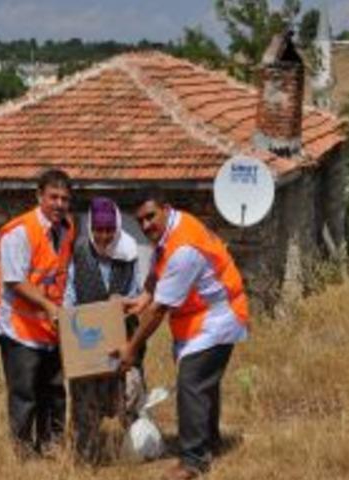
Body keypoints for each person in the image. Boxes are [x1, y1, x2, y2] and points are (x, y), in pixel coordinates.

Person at [117, 192, 249, 480]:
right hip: (204, 319)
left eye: (151, 216)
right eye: (140, 220)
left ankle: (193, 461)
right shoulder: (171, 233)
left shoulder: (183, 248)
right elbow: (156, 273)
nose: (146, 224)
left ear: (166, 209)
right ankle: (209, 441)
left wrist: (131, 348)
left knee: (191, 384)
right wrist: (143, 297)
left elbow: (157, 312)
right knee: (204, 386)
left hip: (217, 319)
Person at [0, 168, 76, 457]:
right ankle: (23, 450)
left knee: (53, 391)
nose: (59, 204)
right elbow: (15, 280)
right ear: (39, 196)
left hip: (50, 329)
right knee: (24, 393)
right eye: (53, 197)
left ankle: (51, 444)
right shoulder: (20, 232)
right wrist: (49, 306)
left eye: (65, 198)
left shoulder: (66, 229)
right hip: (20, 329)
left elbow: (62, 273)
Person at [63, 196, 146, 463]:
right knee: (85, 402)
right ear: (91, 228)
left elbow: (137, 292)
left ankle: (134, 453)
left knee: (130, 395)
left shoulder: (130, 251)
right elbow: (70, 292)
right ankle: (87, 457)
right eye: (98, 229)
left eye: (109, 229)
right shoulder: (79, 251)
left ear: (118, 227)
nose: (104, 235)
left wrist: (123, 302)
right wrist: (67, 315)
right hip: (87, 344)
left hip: (124, 339)